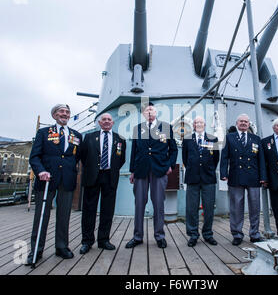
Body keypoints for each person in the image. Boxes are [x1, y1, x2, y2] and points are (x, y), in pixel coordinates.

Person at [26, 104, 82, 265]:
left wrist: (70, 170)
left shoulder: (76, 135)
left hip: (67, 180)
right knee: (42, 216)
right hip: (46, 179)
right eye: (61, 112)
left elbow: (75, 157)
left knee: (64, 216)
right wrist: (40, 171)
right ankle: (36, 249)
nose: (64, 114)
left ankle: (62, 246)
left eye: (67, 112)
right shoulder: (44, 133)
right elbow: (34, 156)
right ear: (54, 115)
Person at [127, 103, 178, 249]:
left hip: (160, 170)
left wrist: (170, 166)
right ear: (143, 113)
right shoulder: (138, 128)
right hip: (141, 170)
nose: (149, 112)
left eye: (151, 109)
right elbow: (134, 151)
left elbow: (173, 149)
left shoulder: (166, 127)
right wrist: (132, 171)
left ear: (156, 112)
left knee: (158, 204)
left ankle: (159, 236)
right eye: (146, 110)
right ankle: (137, 236)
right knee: (139, 204)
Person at [79, 113, 126, 254]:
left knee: (108, 210)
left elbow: (121, 159)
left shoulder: (120, 139)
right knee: (89, 210)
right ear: (99, 123)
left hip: (110, 177)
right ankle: (87, 241)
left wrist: (111, 169)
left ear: (113, 123)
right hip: (92, 176)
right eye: (103, 120)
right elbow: (83, 156)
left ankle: (103, 240)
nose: (106, 121)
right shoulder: (89, 138)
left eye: (109, 120)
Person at [220, 114, 267, 245]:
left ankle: (254, 233)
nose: (243, 123)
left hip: (254, 177)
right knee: (236, 207)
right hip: (236, 176)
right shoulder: (229, 138)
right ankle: (237, 234)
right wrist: (223, 173)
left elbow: (261, 159)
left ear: (249, 124)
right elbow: (224, 157)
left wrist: (263, 177)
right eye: (241, 121)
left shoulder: (256, 139)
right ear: (237, 123)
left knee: (255, 207)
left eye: (246, 122)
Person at [182, 116, 219, 247]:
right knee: (191, 208)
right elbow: (185, 159)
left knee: (209, 208)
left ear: (205, 124)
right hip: (192, 178)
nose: (198, 124)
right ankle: (193, 234)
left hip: (208, 178)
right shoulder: (187, 140)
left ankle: (208, 234)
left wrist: (207, 169)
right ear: (193, 125)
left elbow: (216, 159)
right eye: (196, 122)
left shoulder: (213, 139)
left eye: (201, 122)